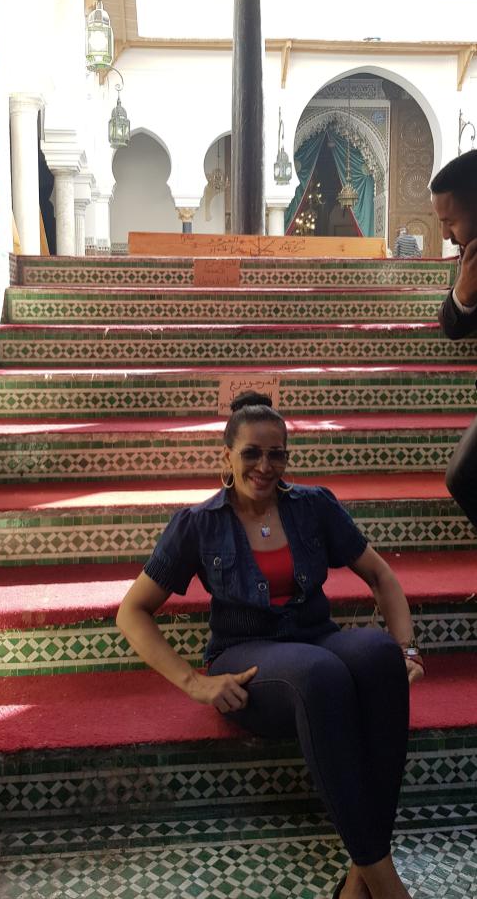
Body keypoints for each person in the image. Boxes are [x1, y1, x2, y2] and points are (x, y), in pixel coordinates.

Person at [117, 391, 425, 899]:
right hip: (246, 655)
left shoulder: (313, 506)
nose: (265, 465)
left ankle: (358, 881)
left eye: (276, 453)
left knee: (377, 658)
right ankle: (390, 890)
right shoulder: (198, 524)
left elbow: (381, 575)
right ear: (226, 457)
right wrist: (195, 683)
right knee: (321, 676)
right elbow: (132, 611)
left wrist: (407, 647)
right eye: (251, 453)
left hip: (316, 638)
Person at [431, 150, 477, 528]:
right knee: (463, 477)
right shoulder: (470, 258)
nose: (444, 234)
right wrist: (464, 291)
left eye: (450, 221)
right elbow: (452, 325)